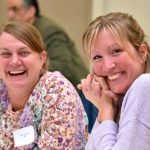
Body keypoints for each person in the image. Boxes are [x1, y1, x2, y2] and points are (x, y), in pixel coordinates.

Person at [6, 0, 98, 133]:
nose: (10, 15)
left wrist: (30, 67)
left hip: (79, 95)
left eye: (15, 9)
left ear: (31, 11)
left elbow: (65, 66)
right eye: (8, 10)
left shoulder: (48, 30)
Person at [0, 21, 88, 149]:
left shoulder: (57, 90)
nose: (14, 61)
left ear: (42, 58)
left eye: (23, 53)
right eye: (6, 54)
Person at [78, 12, 150, 149]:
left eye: (116, 51)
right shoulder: (117, 101)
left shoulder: (145, 85)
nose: (108, 66)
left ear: (142, 53)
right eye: (97, 57)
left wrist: (105, 111)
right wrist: (106, 109)